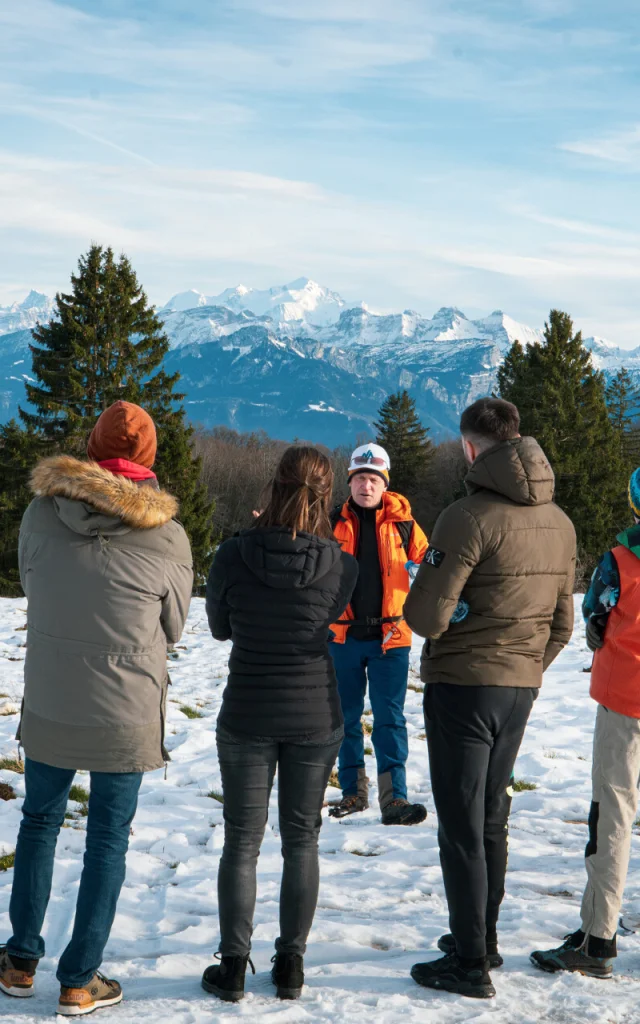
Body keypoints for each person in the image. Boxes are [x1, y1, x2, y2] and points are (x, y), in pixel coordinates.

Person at [0, 401, 193, 1016]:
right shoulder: (166, 535)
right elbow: (177, 624)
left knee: (39, 823)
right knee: (107, 839)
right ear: (149, 458)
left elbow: (32, 583)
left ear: (90, 448)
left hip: (54, 698)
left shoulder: (40, 513)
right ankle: (80, 981)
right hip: (127, 707)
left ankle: (20, 962)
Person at [404, 397, 576, 999]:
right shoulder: (560, 521)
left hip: (464, 685)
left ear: (471, 447)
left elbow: (424, 617)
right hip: (519, 687)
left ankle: (470, 963)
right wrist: (526, 668)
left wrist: (444, 608)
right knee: (492, 816)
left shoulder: (466, 516)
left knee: (460, 823)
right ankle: (484, 936)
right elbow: (563, 626)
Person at [202, 446, 358, 1003]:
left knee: (241, 843)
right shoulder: (342, 563)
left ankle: (234, 967)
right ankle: (290, 963)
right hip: (316, 713)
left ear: (273, 486)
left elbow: (220, 628)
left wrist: (253, 541)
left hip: (247, 708)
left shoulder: (233, 554)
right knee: (302, 840)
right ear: (326, 494)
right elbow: (335, 616)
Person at [531, 467, 640, 979]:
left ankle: (598, 939)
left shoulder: (620, 560)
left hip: (627, 701)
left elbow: (595, 621)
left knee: (612, 815)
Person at [328, 443, 428, 826]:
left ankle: (394, 799)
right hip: (342, 638)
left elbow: (430, 571)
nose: (365, 486)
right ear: (349, 481)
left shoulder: (406, 525)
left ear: (384, 483)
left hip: (391, 639)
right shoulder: (330, 521)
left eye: (373, 479)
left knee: (390, 719)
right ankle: (353, 792)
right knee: (346, 717)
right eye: (359, 479)